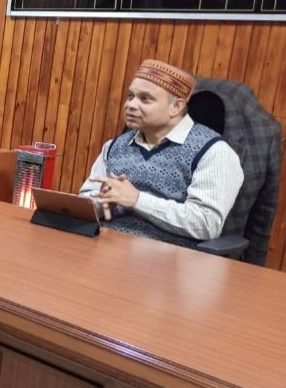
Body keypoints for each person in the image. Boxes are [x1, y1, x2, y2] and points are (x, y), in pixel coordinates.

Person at [78, 59, 244, 250]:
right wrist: (101, 202)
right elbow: (85, 201)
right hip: (104, 247)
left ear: (176, 107)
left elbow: (207, 224)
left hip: (168, 260)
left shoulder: (214, 152)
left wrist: (137, 200)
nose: (130, 105)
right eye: (130, 96)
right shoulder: (114, 145)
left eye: (145, 99)